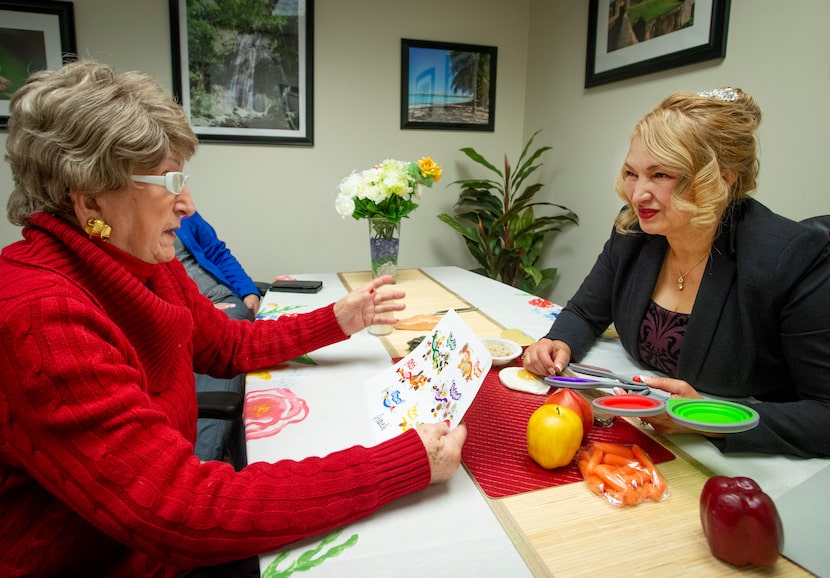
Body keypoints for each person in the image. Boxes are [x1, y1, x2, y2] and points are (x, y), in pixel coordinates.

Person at [0, 59, 467, 576]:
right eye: (169, 181)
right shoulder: (39, 317)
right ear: (91, 202)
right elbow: (180, 510)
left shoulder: (141, 262)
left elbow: (228, 346)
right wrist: (402, 464)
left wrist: (339, 318)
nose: (188, 204)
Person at [522, 87, 830, 459]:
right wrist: (560, 342)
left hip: (746, 463)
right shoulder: (634, 232)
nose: (637, 195)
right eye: (632, 174)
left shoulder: (791, 258)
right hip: (644, 433)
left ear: (723, 179)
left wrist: (706, 419)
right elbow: (586, 312)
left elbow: (823, 413)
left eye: (661, 175)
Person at [175, 211, 260, 467]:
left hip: (224, 298)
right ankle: (208, 462)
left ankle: (224, 461)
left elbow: (216, 251)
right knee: (228, 352)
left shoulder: (184, 214)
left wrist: (247, 289)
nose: (185, 203)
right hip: (194, 308)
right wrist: (196, 311)